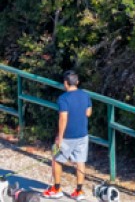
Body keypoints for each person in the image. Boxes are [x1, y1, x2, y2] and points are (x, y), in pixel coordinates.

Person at [48, 71, 91, 199]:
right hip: (82, 134)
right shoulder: (85, 95)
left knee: (57, 159)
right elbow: (88, 113)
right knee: (80, 161)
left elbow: (63, 118)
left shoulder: (63, 98)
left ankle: (57, 189)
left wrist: (59, 138)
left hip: (68, 136)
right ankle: (79, 191)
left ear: (65, 83)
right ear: (77, 82)